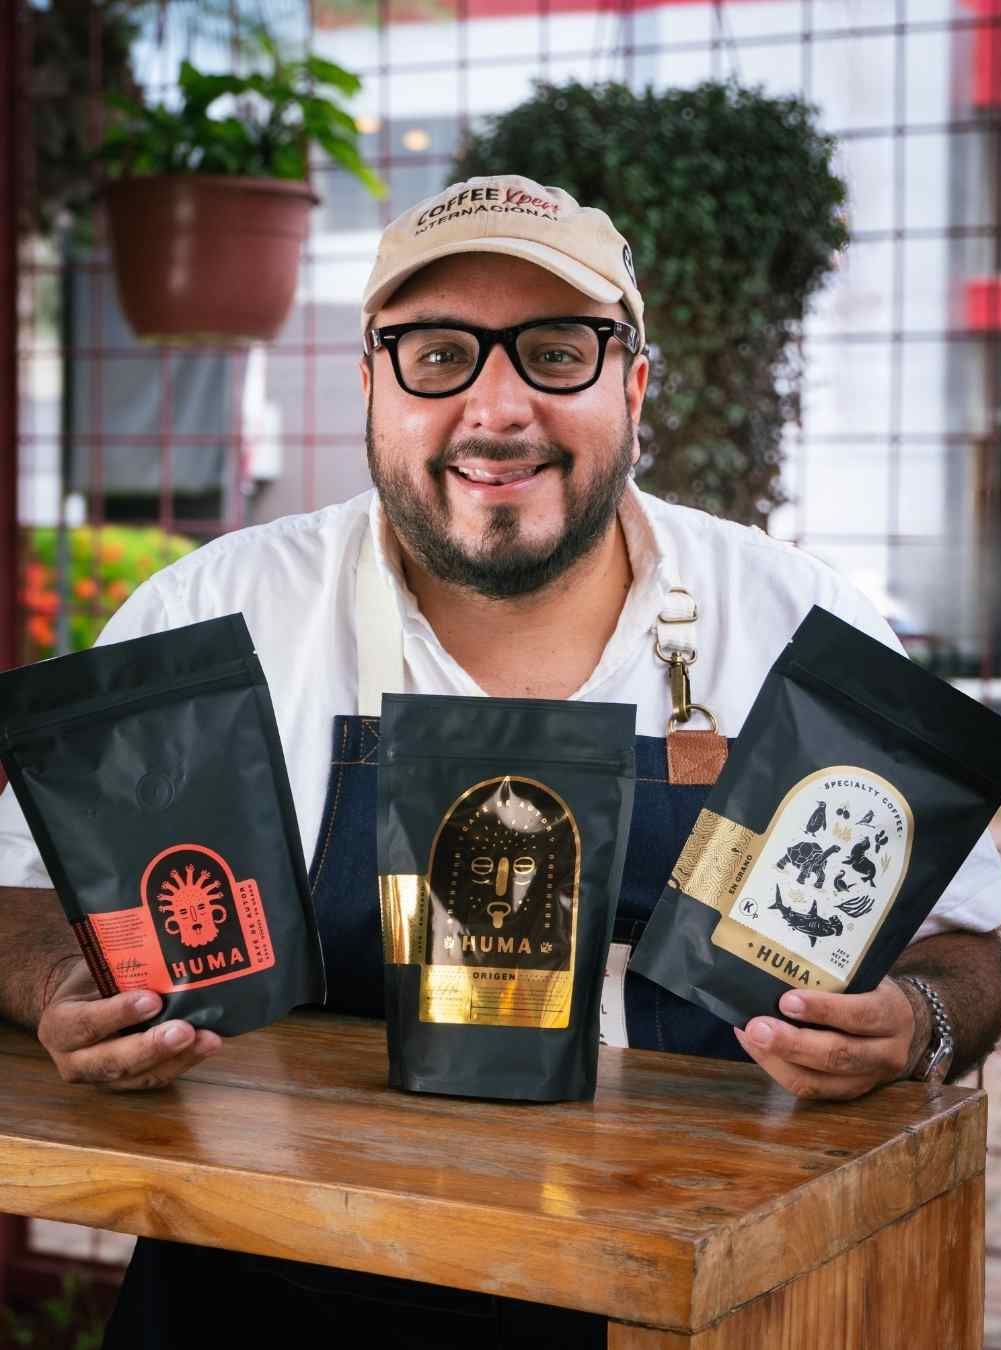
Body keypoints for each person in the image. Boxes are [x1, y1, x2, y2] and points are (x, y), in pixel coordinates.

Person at [2, 174, 1000, 1347]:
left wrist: (920, 1020)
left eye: (555, 352)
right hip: (263, 1290)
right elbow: (16, 896)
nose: (496, 408)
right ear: (370, 386)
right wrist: (61, 985)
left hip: (695, 1310)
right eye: (436, 355)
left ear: (632, 388)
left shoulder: (791, 625)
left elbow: (973, 938)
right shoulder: (216, 616)